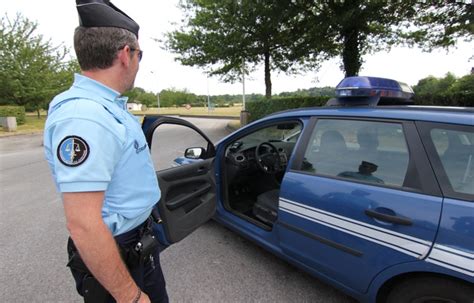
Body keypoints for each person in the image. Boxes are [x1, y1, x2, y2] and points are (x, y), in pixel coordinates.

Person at [43, 1, 168, 302]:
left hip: (137, 247)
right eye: (140, 54)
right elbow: (83, 224)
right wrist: (130, 296)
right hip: (117, 253)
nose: (138, 62)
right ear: (126, 54)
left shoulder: (105, 106)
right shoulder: (85, 116)